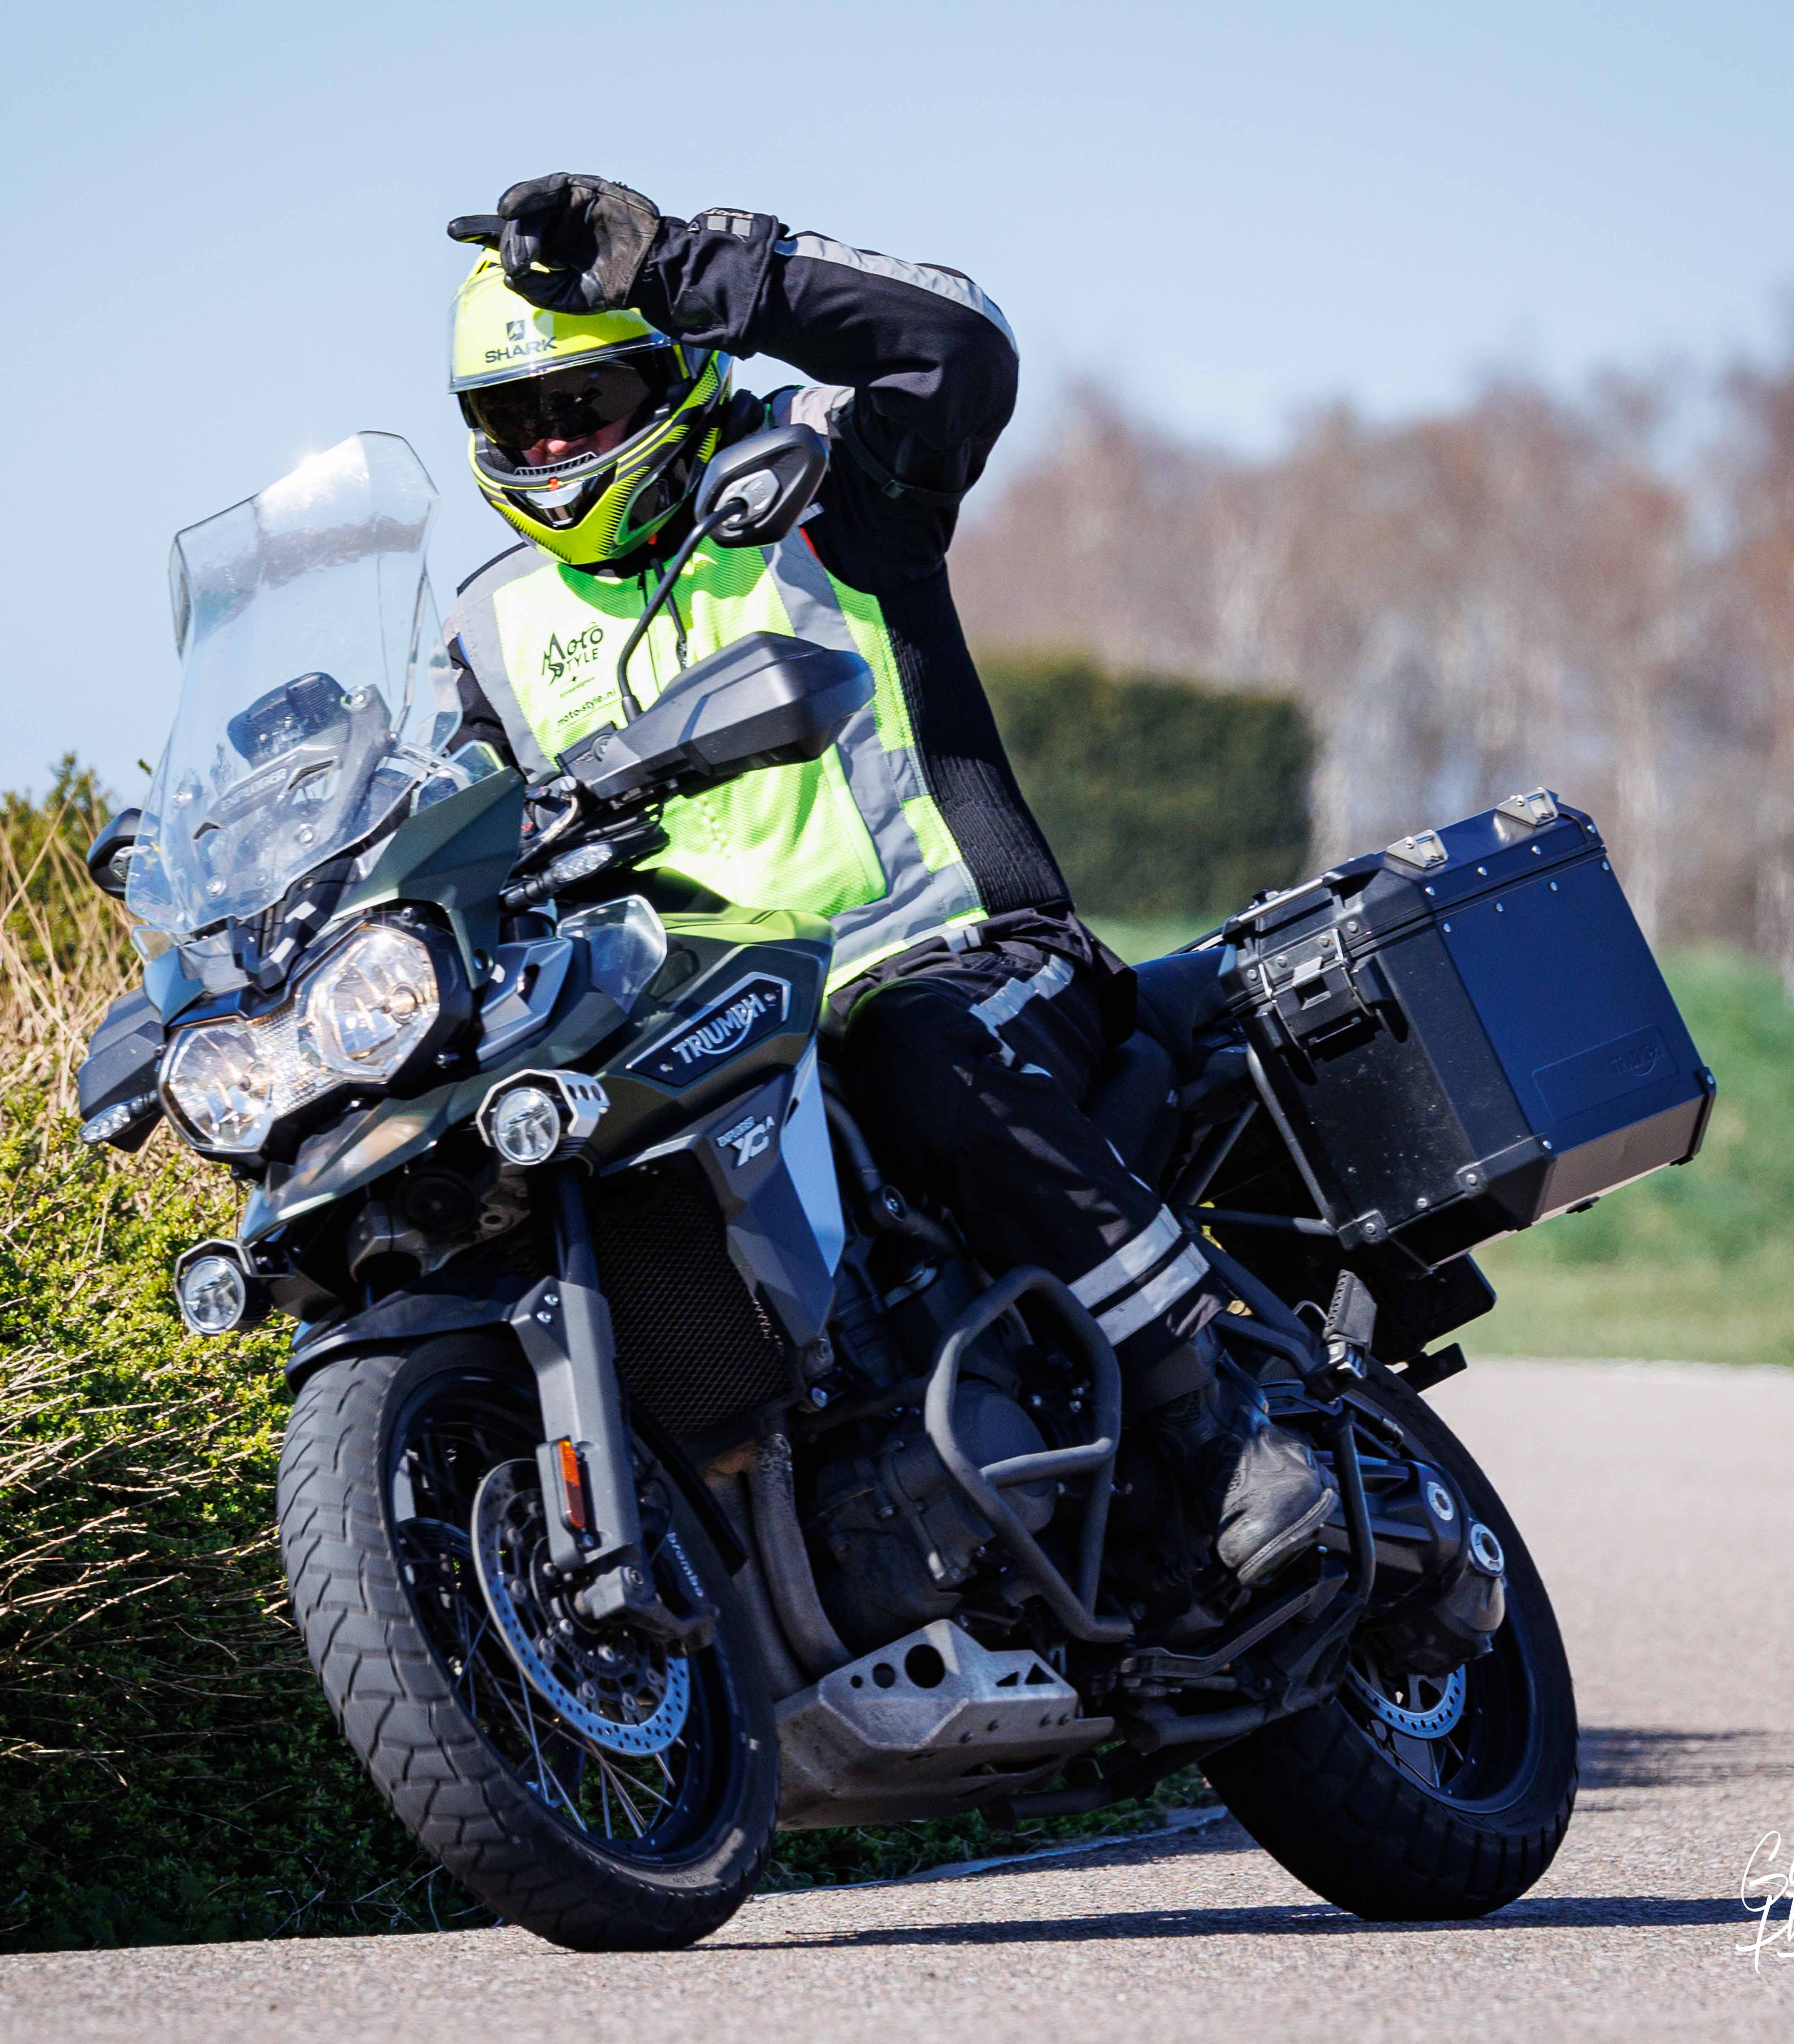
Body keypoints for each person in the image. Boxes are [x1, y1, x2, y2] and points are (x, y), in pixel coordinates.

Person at [438, 174, 1329, 1597]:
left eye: (582, 403)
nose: (549, 444)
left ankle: (1216, 1415)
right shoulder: (490, 626)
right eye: (513, 419)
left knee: (910, 1045)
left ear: (671, 376)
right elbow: (462, 836)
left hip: (951, 960)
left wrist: (679, 267)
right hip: (711, 1037)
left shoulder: (823, 483)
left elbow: (956, 350)